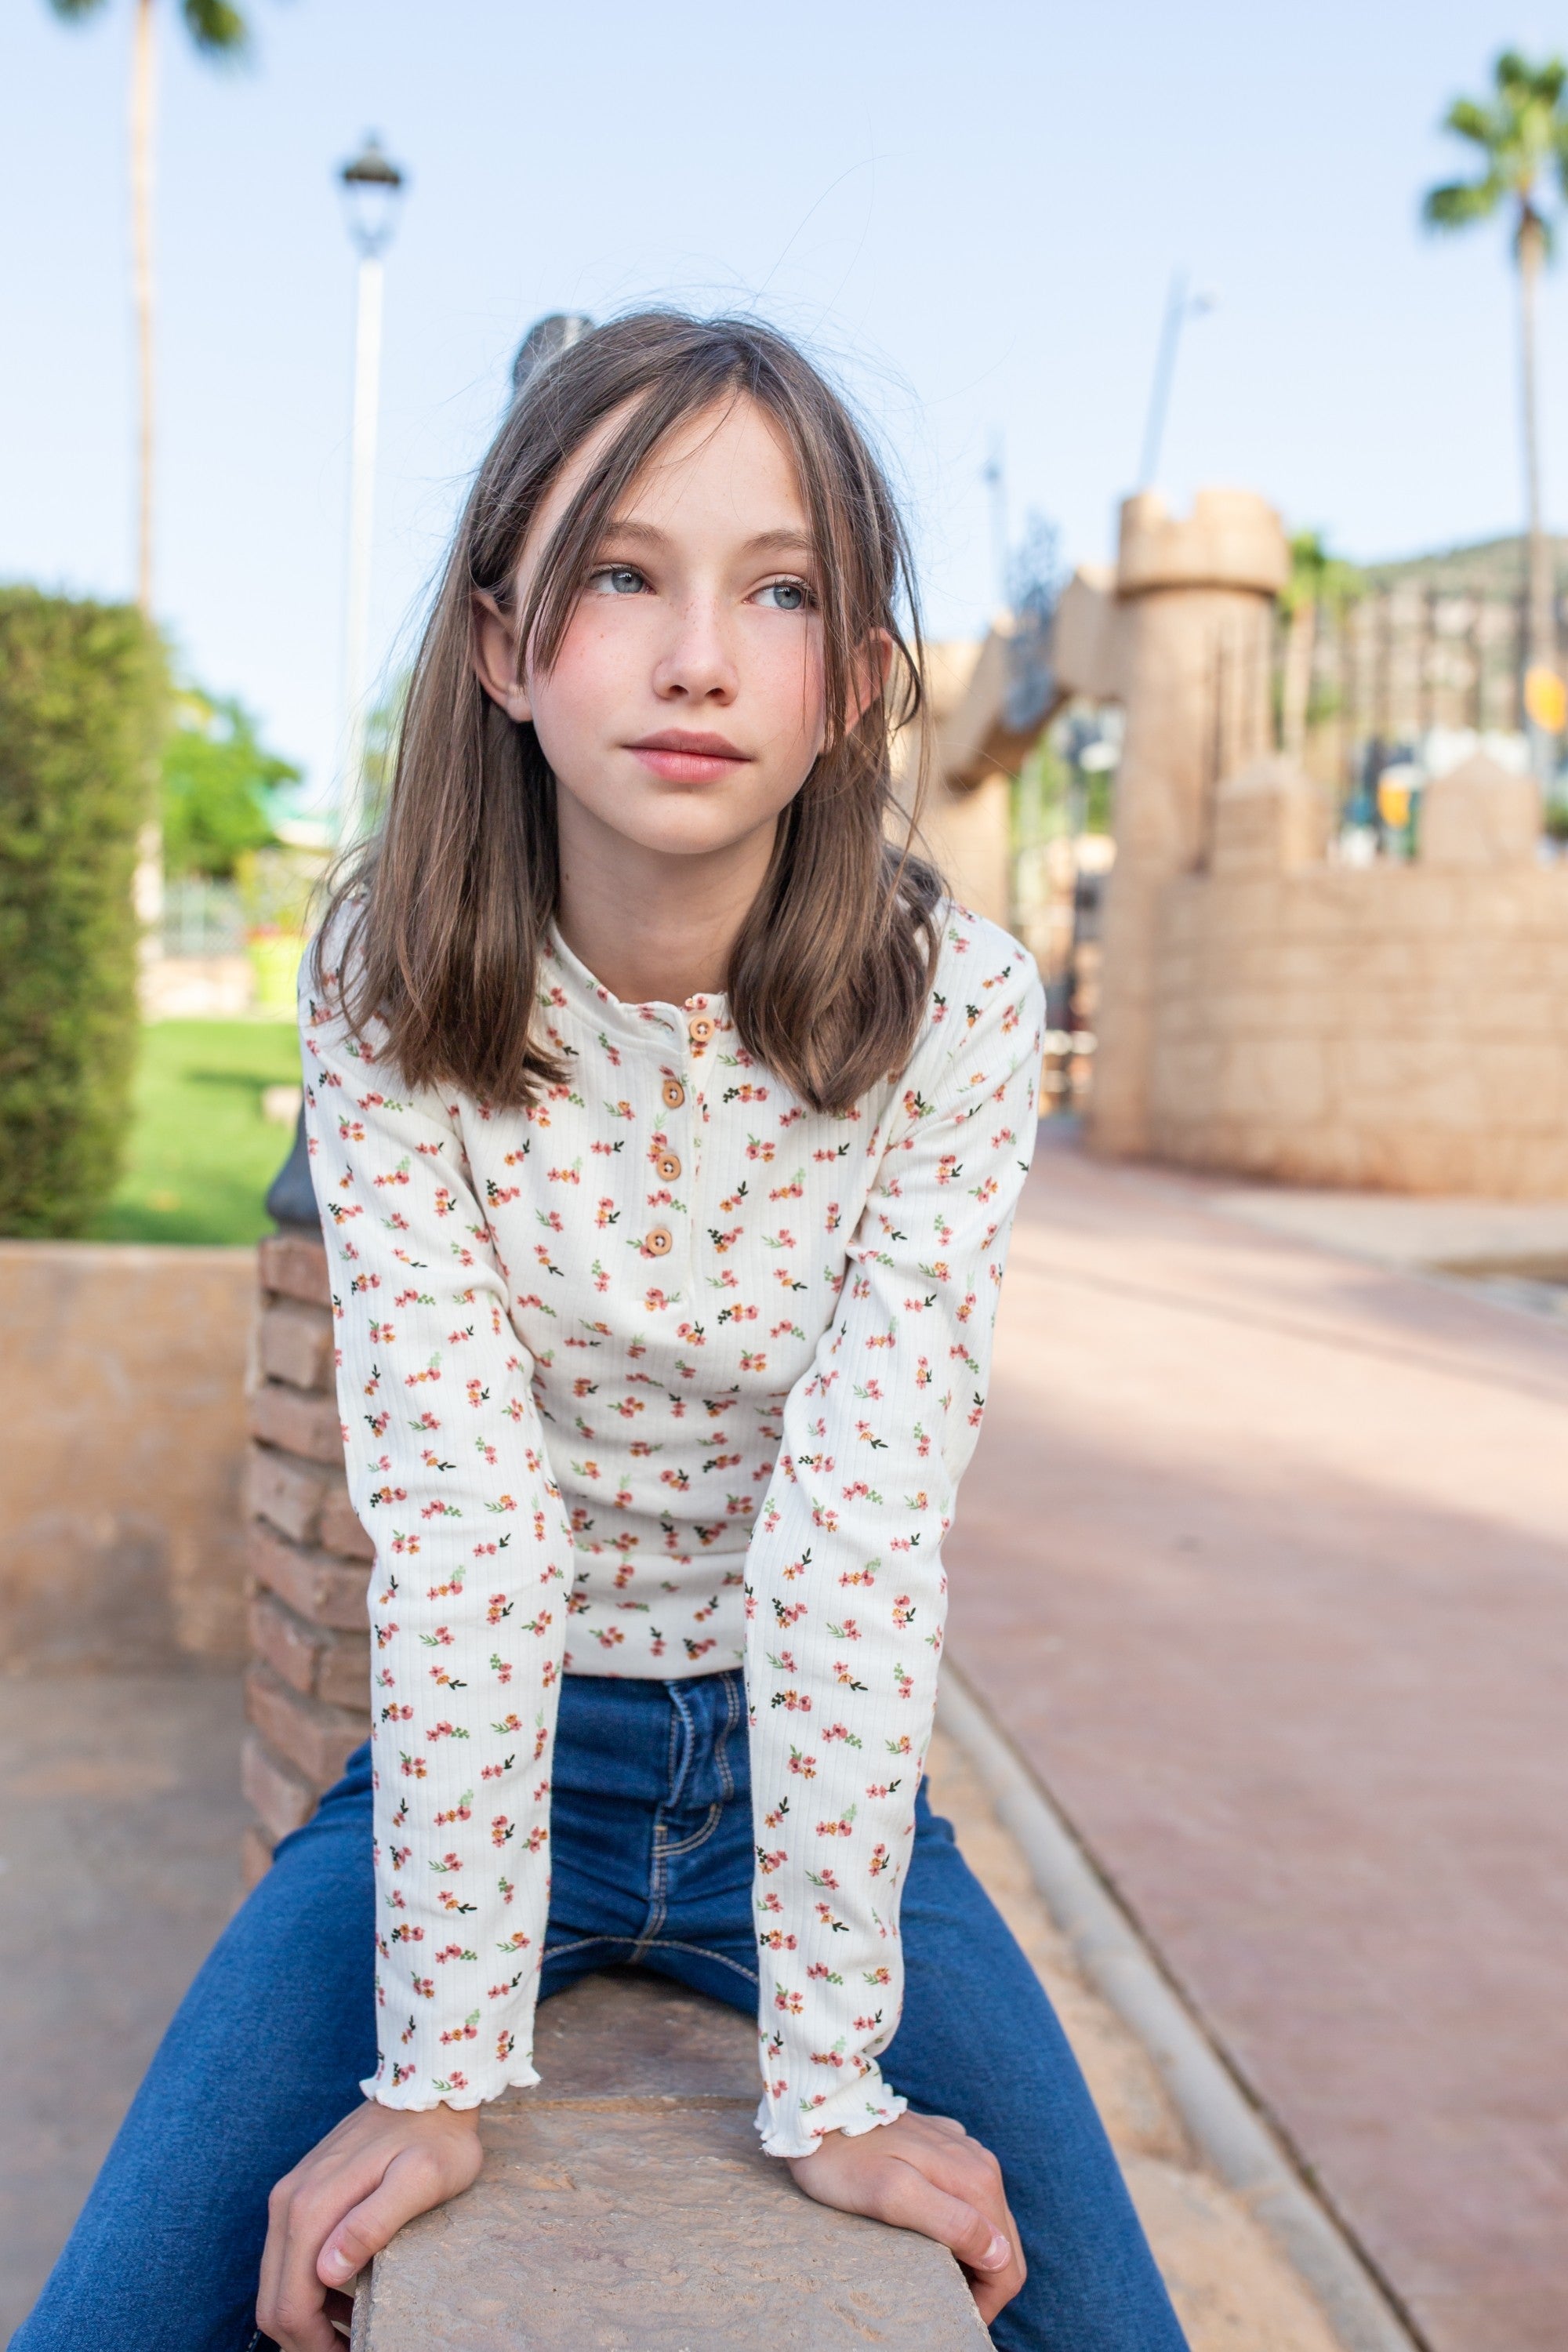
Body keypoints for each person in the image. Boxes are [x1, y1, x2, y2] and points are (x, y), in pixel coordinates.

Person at [13, 311, 1188, 2352]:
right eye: (624, 573)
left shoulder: (960, 1019)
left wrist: (831, 2089)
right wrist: (439, 2063)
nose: (699, 656)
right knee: (114, 2308)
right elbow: (460, 1517)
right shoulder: (390, 985)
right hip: (488, 1753)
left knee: (1110, 2328)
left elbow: (857, 1532)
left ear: (859, 688)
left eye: (782, 588)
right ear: (503, 642)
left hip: (810, 1770)